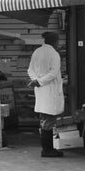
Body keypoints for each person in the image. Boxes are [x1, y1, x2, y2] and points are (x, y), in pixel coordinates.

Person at [27, 30, 65, 158]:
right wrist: (39, 81)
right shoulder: (54, 54)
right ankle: (47, 150)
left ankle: (47, 148)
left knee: (44, 120)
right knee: (48, 121)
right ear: (55, 41)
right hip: (50, 91)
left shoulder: (37, 52)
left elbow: (30, 70)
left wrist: (35, 80)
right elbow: (54, 73)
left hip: (41, 91)